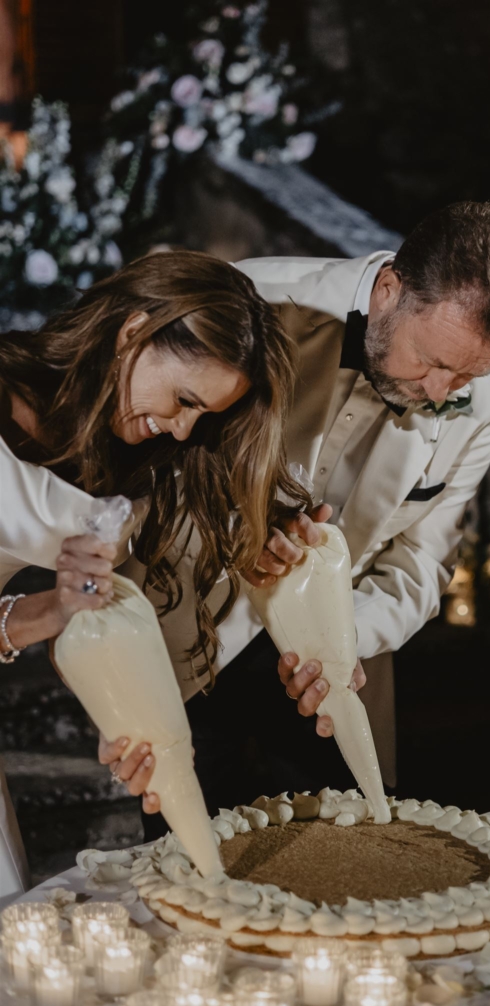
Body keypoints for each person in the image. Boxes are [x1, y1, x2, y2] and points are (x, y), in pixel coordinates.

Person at [120, 201, 490, 827]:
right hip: (187, 650)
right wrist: (239, 535)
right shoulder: (253, 302)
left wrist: (347, 643)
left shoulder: (482, 407)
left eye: (468, 373)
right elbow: (146, 458)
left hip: (334, 688)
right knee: (191, 878)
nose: (440, 391)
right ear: (388, 290)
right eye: (431, 360)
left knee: (357, 879)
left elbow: (423, 562)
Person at [0, 248, 317, 899]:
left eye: (203, 416)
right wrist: (48, 610)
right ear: (132, 331)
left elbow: (89, 628)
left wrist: (138, 729)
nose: (180, 429)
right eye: (182, 399)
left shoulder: (126, 466)